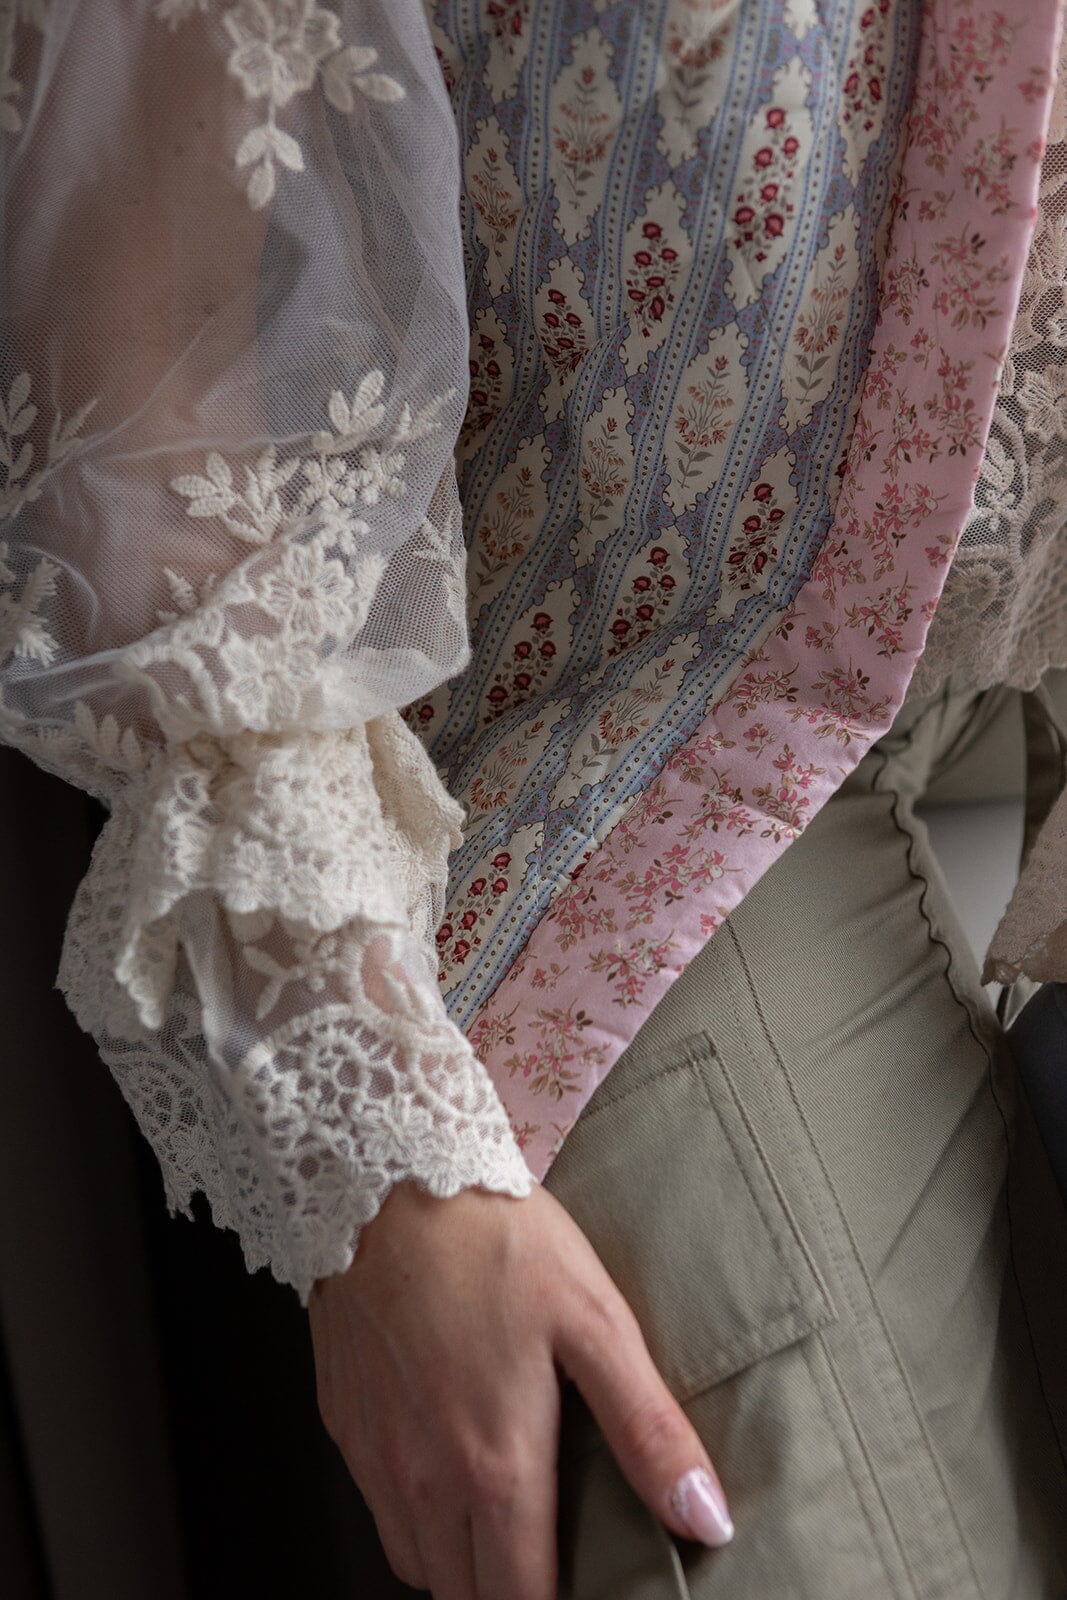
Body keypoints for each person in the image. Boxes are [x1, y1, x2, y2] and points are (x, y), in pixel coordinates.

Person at [0, 1, 1065, 1596]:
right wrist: (383, 1176)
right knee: (800, 1534)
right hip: (624, 714)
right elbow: (157, 411)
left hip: (1030, 637)